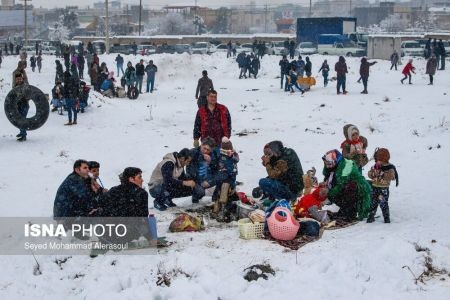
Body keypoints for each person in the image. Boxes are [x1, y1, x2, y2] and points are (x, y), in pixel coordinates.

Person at [322, 149, 371, 221]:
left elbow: (340, 185)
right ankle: (344, 209)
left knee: (348, 188)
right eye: (326, 163)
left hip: (359, 189)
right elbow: (326, 174)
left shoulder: (345, 166)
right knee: (335, 190)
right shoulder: (335, 165)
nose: (327, 165)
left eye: (329, 163)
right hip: (345, 187)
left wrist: (329, 195)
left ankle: (350, 212)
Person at [367, 148, 398, 223]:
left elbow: (392, 177)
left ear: (385, 159)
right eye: (377, 159)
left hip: (383, 189)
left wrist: (382, 174)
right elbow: (369, 174)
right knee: (373, 203)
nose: (378, 161)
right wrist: (373, 174)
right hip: (374, 187)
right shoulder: (375, 166)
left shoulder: (389, 167)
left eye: (380, 159)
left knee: (383, 203)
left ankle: (386, 218)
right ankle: (371, 216)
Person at [213, 137, 239, 221]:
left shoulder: (233, 155)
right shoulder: (219, 155)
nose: (227, 152)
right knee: (219, 192)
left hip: (230, 178)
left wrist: (231, 156)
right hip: (222, 178)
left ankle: (227, 211)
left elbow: (236, 162)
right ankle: (218, 210)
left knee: (229, 194)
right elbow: (215, 164)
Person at [12, 73, 29, 141]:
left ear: (22, 79)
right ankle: (22, 132)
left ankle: (23, 135)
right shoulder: (15, 87)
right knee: (19, 120)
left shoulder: (25, 86)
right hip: (18, 106)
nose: (19, 80)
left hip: (24, 105)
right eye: (17, 79)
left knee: (22, 121)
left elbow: (29, 95)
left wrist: (24, 96)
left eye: (20, 79)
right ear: (15, 80)